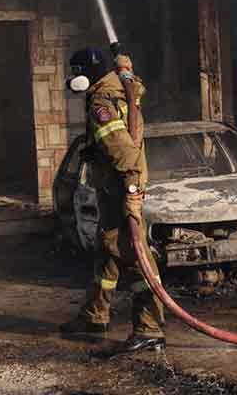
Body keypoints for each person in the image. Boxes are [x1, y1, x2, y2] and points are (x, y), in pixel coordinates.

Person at [59, 47, 166, 356]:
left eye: (76, 72)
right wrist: (126, 70)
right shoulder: (120, 87)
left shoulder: (102, 103)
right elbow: (136, 88)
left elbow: (125, 154)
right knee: (106, 250)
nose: (73, 79)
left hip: (121, 188)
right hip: (111, 189)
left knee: (134, 258)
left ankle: (149, 328)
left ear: (86, 74)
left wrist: (132, 194)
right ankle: (95, 315)